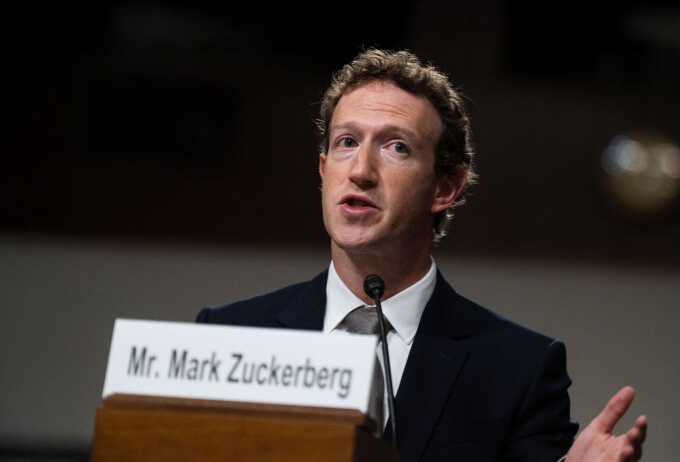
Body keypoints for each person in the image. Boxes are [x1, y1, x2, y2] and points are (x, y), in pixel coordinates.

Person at [196, 49, 647, 462]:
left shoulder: (518, 368)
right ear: (323, 169)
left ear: (445, 187)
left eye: (396, 147)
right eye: (346, 142)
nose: (360, 171)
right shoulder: (228, 335)